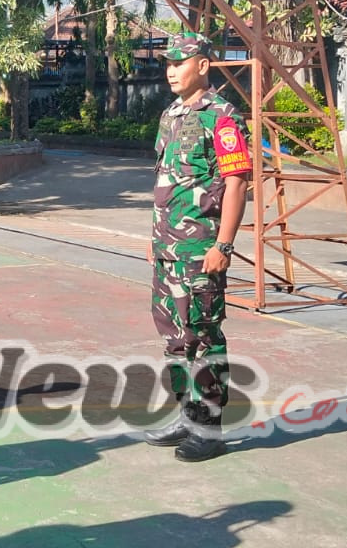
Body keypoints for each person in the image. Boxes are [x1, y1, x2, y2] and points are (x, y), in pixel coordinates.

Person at [140, 31, 252, 463]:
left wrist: (224, 244)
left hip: (201, 248)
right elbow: (164, 182)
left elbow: (237, 184)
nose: (171, 70)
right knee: (173, 339)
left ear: (202, 66)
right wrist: (154, 238)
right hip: (168, 248)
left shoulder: (222, 117)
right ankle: (186, 415)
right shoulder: (171, 114)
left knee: (204, 336)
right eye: (167, 63)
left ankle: (210, 428)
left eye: (179, 62)